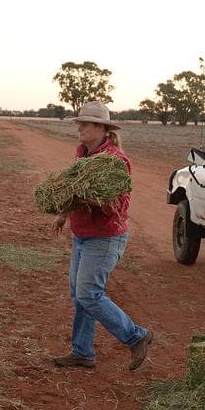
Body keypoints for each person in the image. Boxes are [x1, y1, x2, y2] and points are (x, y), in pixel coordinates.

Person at [51, 101, 154, 370]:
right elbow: (75, 190)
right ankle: (82, 351)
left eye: (84, 123)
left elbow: (117, 208)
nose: (80, 128)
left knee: (88, 294)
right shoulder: (84, 154)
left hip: (105, 238)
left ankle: (136, 336)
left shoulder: (116, 162)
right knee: (79, 296)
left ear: (101, 128)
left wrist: (92, 199)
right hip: (82, 235)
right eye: (79, 123)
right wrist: (64, 213)